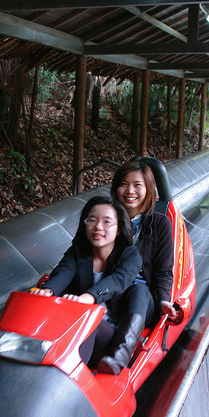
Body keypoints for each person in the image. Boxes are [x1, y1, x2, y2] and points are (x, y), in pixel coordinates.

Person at [32, 196, 140, 367]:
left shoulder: (130, 255)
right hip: (73, 327)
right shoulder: (78, 251)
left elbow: (118, 280)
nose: (98, 227)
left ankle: (69, 375)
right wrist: (48, 290)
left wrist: (88, 298)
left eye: (106, 222)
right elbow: (64, 271)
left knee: (90, 321)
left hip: (108, 333)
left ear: (118, 228)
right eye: (92, 220)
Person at [97, 159, 177, 375]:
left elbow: (163, 271)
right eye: (124, 184)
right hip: (111, 291)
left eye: (137, 185)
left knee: (139, 291)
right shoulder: (107, 219)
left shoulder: (160, 224)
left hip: (143, 301)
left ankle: (119, 356)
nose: (130, 191)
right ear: (116, 188)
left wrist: (163, 300)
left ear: (148, 189)